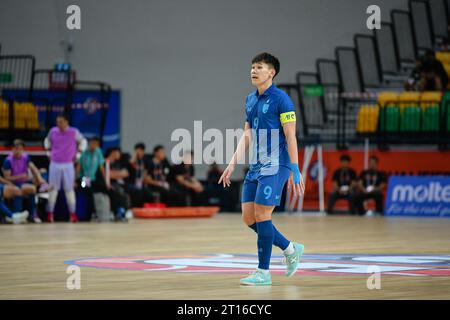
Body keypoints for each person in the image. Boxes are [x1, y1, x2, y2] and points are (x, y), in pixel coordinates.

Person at [218, 52, 305, 286]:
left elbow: (290, 135)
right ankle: (290, 248)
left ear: (271, 72)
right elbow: (247, 135)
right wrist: (232, 163)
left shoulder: (282, 99)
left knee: (262, 214)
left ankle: (263, 272)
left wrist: (295, 169)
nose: (253, 71)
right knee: (249, 218)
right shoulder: (250, 99)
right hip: (257, 164)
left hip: (277, 164)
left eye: (259, 67)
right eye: (252, 67)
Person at [44, 114, 87, 223]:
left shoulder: (73, 132)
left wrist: (79, 153)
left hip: (68, 164)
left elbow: (83, 141)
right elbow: (47, 141)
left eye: (61, 122)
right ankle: (50, 214)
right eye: (58, 122)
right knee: (53, 189)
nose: (59, 124)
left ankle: (73, 214)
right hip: (55, 163)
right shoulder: (53, 131)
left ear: (67, 122)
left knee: (69, 189)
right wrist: (48, 151)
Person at [2, 139, 48, 223]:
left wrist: (40, 179)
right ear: (12, 149)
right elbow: (7, 178)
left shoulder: (26, 157)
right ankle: (22, 214)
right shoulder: (8, 161)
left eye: (20, 149)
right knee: (29, 189)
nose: (18, 151)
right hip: (14, 184)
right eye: (16, 149)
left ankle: (29, 214)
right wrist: (20, 176)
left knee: (40, 175)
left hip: (25, 182)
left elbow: (33, 168)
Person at [76, 136, 107, 220]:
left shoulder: (98, 152)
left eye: (96, 144)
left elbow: (101, 167)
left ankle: (99, 213)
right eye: (92, 143)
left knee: (103, 190)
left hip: (94, 179)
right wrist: (76, 178)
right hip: (84, 179)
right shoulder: (84, 153)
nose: (94, 145)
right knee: (86, 189)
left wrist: (106, 181)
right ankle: (90, 213)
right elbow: (79, 166)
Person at [104, 147, 129, 221]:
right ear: (113, 152)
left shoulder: (118, 163)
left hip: (120, 184)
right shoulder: (106, 162)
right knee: (118, 192)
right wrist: (119, 174)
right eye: (118, 153)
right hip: (108, 184)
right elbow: (108, 175)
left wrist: (114, 174)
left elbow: (126, 173)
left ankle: (122, 212)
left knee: (126, 191)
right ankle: (117, 213)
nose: (119, 155)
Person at [126, 143, 154, 207]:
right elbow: (130, 163)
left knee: (148, 193)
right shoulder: (131, 158)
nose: (139, 152)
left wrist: (143, 180)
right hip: (132, 182)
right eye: (137, 151)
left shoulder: (145, 160)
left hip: (141, 182)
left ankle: (146, 208)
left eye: (141, 151)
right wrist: (135, 155)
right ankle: (135, 208)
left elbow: (146, 172)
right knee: (137, 192)